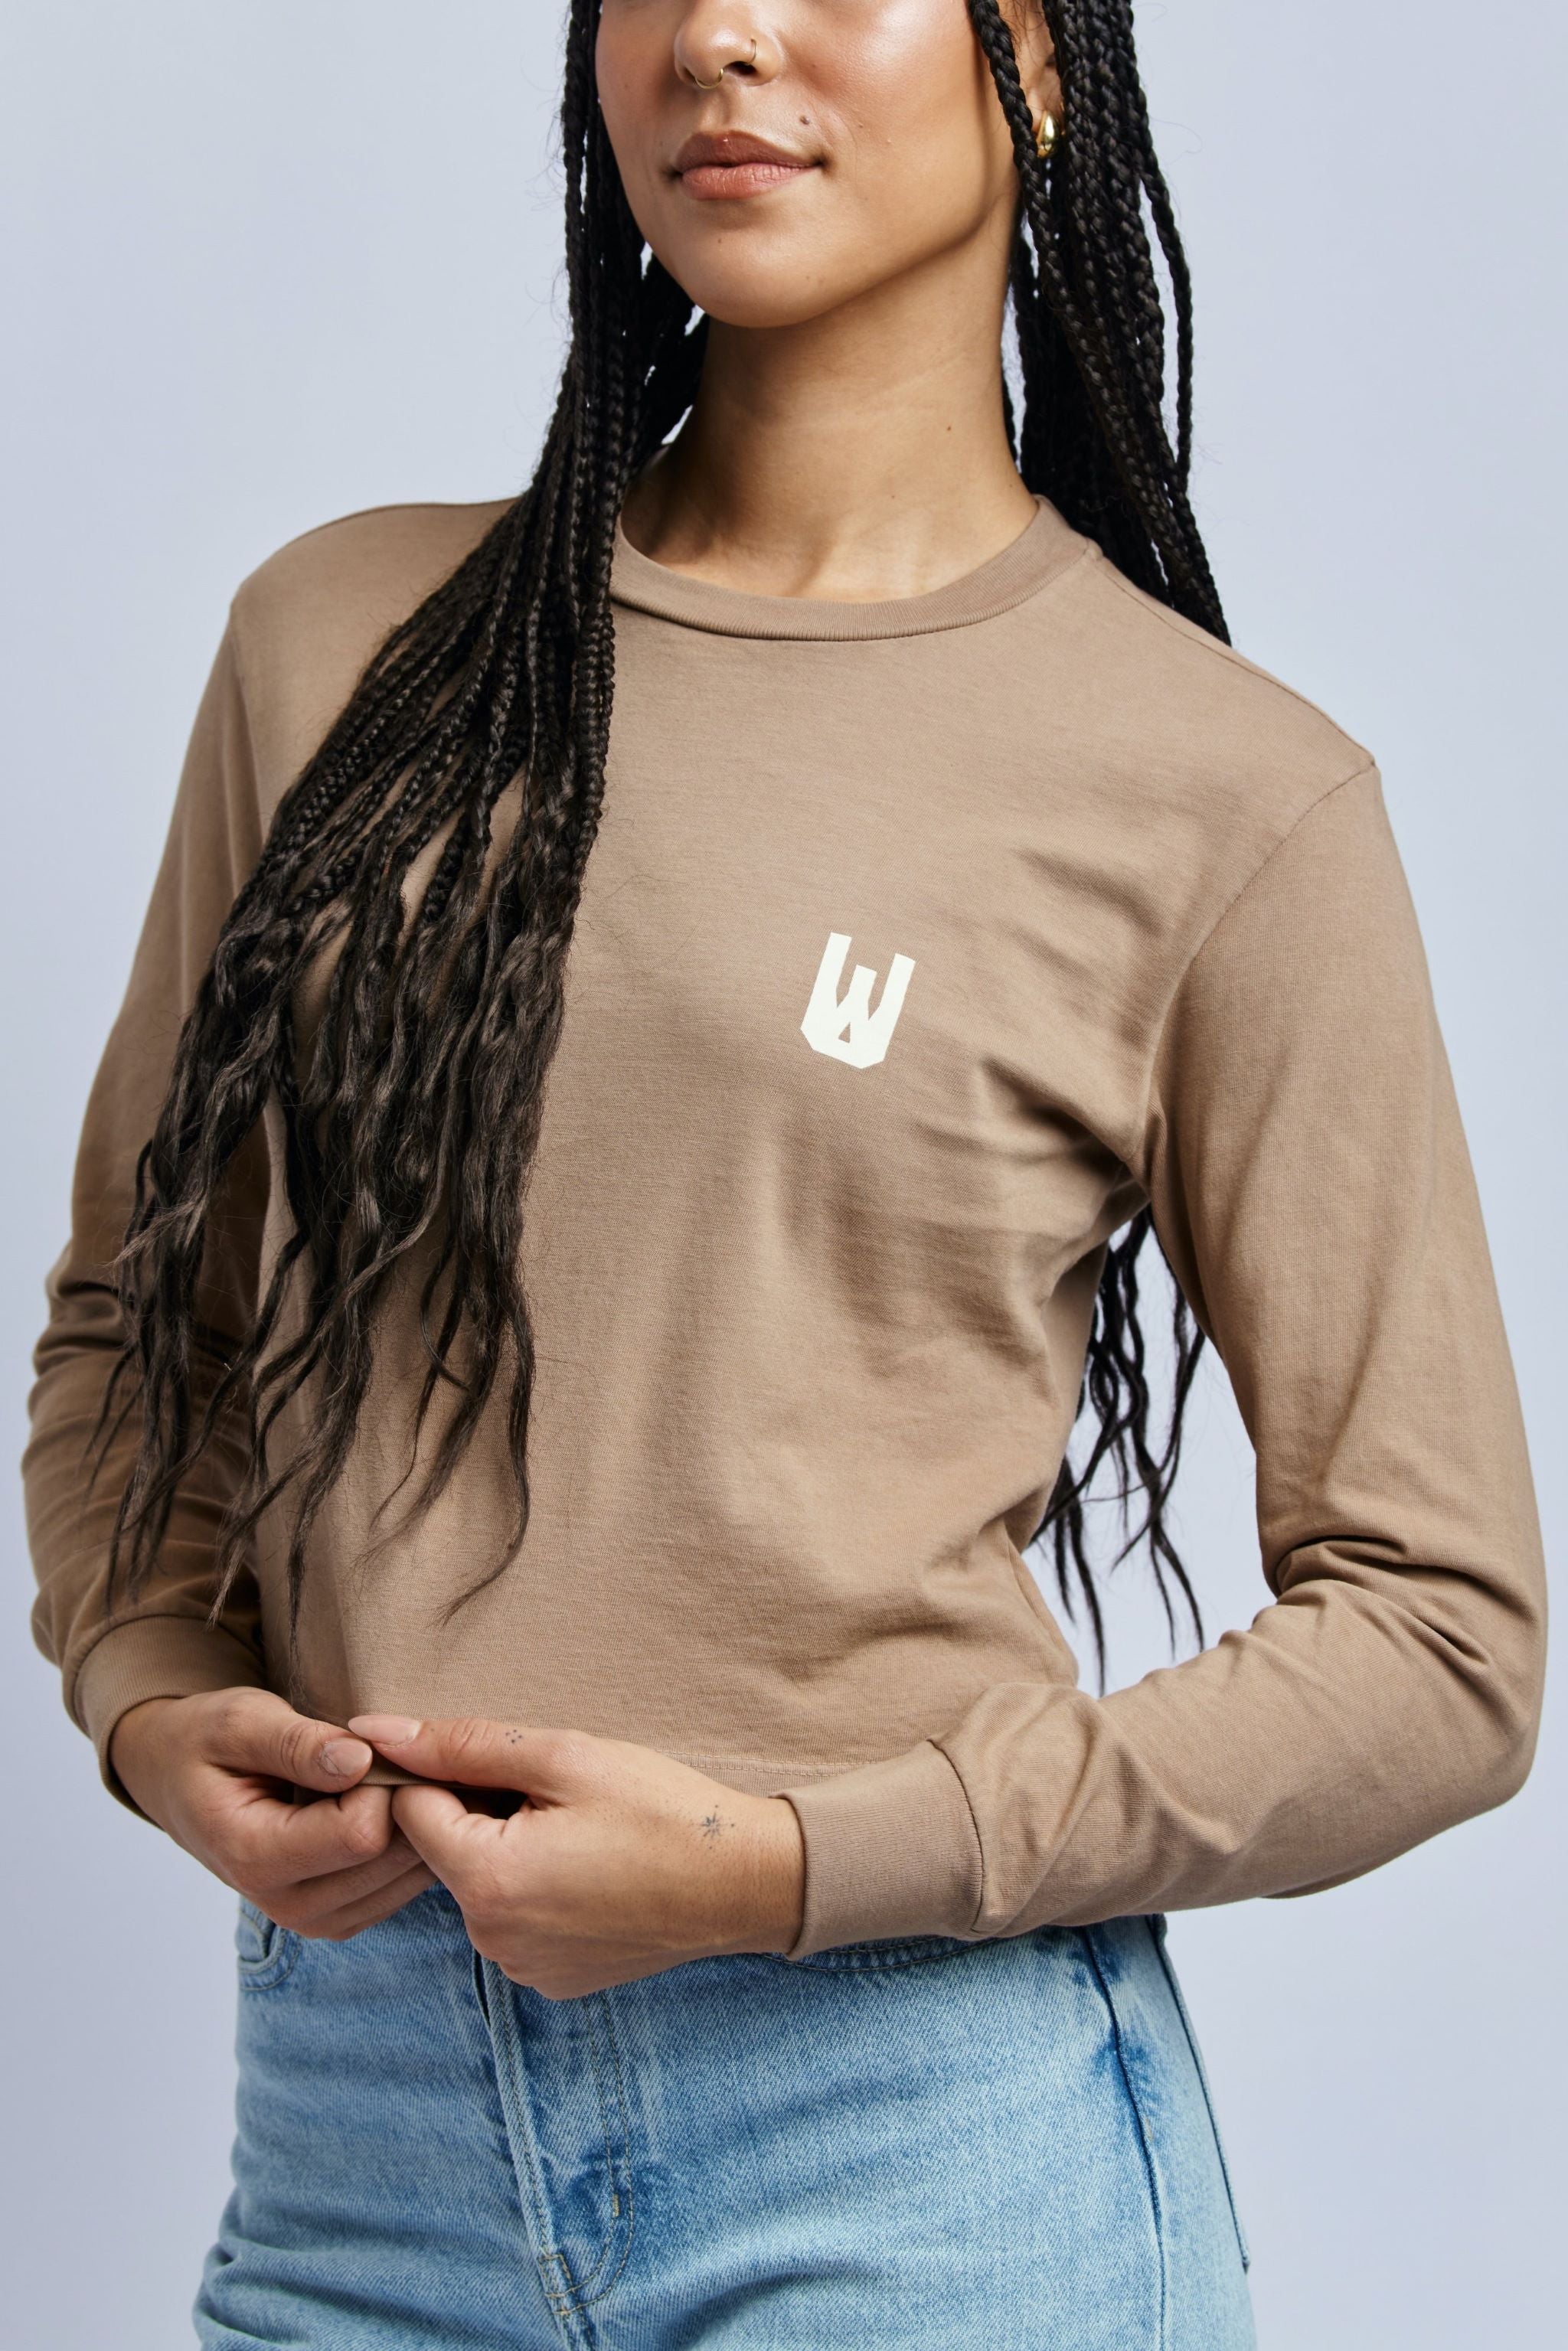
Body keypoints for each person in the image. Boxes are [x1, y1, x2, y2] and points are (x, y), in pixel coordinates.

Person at [23, 4, 1547, 2346]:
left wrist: (792, 1865)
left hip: (919, 2154)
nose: (724, 35)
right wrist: (144, 1686)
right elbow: (145, 1320)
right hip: (359, 2142)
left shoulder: (1221, 799)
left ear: (1038, 57)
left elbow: (1444, 1641)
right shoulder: (337, 649)